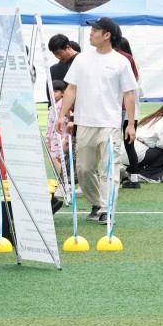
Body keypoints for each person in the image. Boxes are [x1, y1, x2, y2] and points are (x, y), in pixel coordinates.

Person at [56, 17, 138, 224]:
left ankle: (107, 209)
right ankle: (96, 203)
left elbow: (129, 94)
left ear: (107, 35)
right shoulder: (82, 59)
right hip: (84, 122)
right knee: (83, 169)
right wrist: (61, 115)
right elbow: (71, 88)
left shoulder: (121, 61)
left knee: (109, 168)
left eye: (95, 30)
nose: (91, 33)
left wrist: (130, 123)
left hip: (110, 123)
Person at [125, 101, 163, 183]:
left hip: (126, 150)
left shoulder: (150, 118)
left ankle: (130, 171)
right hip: (137, 154)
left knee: (150, 149)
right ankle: (148, 175)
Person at [115, 36, 143, 189]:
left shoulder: (122, 64)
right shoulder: (134, 66)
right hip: (134, 113)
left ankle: (127, 178)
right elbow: (142, 92)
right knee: (129, 146)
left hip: (122, 111)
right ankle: (134, 178)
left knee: (117, 144)